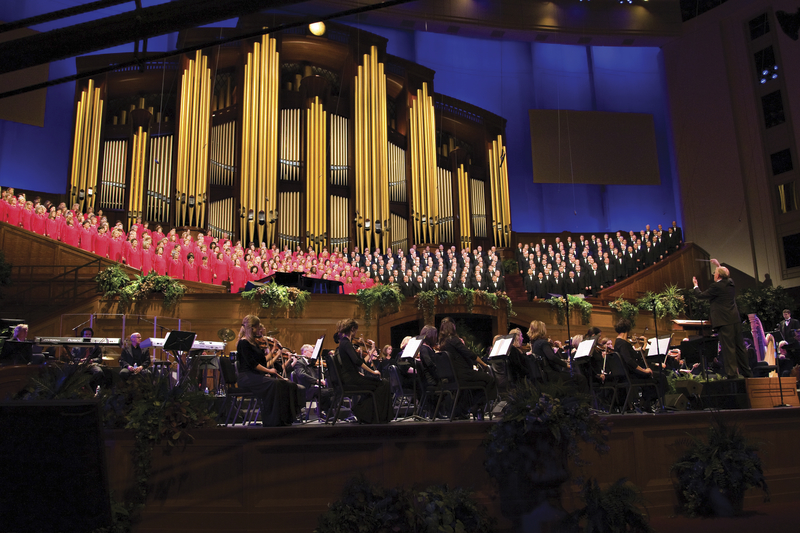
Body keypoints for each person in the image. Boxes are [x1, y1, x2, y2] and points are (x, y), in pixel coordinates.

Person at [235, 315, 300, 426]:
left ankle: (286, 419)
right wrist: (269, 371)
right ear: (251, 328)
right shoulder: (243, 343)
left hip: (254, 376)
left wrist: (273, 350)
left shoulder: (253, 343)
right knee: (274, 384)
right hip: (246, 377)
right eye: (257, 327)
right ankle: (272, 421)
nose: (259, 329)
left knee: (285, 384)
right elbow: (253, 364)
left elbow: (262, 361)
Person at [692, 261, 752, 379]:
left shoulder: (716, 286)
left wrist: (695, 285)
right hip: (735, 320)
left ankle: (732, 374)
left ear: (718, 276)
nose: (714, 275)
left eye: (715, 273)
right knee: (740, 347)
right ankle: (747, 373)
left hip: (724, 322)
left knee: (728, 348)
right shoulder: (730, 283)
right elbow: (724, 275)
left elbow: (700, 295)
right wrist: (718, 265)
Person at [438, 316, 497, 419]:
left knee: (482, 382)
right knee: (490, 380)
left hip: (454, 377)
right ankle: (477, 406)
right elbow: (469, 354)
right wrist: (483, 364)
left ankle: (472, 407)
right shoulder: (453, 340)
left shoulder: (442, 344)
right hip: (463, 375)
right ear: (453, 327)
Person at [334, 318, 392, 424]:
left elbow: (361, 362)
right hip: (352, 379)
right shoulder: (346, 343)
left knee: (382, 383)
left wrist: (372, 350)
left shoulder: (344, 343)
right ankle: (365, 412)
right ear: (352, 329)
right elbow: (357, 361)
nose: (356, 333)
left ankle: (369, 414)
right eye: (356, 330)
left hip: (352, 377)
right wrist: (373, 372)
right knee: (383, 384)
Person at [612, 318, 667, 412]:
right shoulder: (623, 343)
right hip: (631, 375)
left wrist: (644, 346)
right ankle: (647, 402)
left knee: (654, 375)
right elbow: (629, 361)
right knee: (661, 377)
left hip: (627, 374)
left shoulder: (618, 343)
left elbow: (635, 356)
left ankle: (646, 402)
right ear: (627, 329)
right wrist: (644, 370)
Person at [528, 320, 588, 393]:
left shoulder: (535, 344)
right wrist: (566, 365)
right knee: (581, 378)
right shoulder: (543, 343)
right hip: (551, 376)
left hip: (545, 375)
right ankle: (584, 401)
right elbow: (551, 357)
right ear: (542, 330)